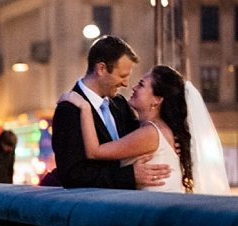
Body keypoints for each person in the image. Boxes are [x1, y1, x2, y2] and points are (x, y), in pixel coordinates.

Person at [60, 65, 230, 194]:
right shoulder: (155, 129)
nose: (133, 87)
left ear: (157, 99)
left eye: (141, 85)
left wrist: (84, 107)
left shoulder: (150, 133)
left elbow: (94, 152)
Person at [47, 35, 170, 189]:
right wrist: (129, 176)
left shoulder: (120, 104)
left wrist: (167, 139)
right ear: (101, 69)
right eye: (122, 76)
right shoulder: (69, 111)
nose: (126, 83)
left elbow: (139, 140)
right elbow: (73, 174)